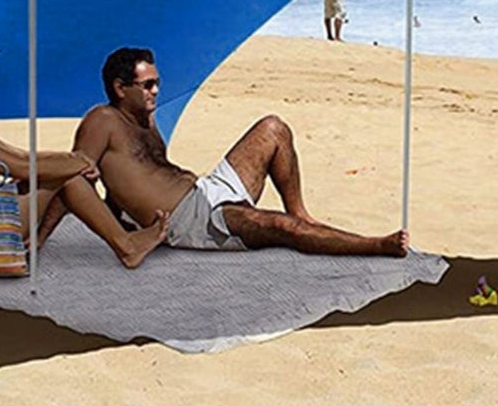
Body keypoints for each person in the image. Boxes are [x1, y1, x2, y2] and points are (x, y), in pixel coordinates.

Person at [71, 47, 408, 256]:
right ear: (119, 87)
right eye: (148, 85)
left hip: (206, 190)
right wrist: (119, 236)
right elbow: (74, 181)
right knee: (283, 229)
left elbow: (130, 179)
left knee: (273, 128)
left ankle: (302, 211)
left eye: (157, 82)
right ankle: (375, 245)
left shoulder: (145, 119)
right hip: (192, 222)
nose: (156, 91)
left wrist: (124, 214)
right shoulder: (102, 119)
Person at [0, 38, 166, 270]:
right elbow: (19, 167)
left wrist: (74, 161)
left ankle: (39, 242)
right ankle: (126, 247)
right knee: (68, 179)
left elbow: (18, 156)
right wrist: (76, 166)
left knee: (65, 173)